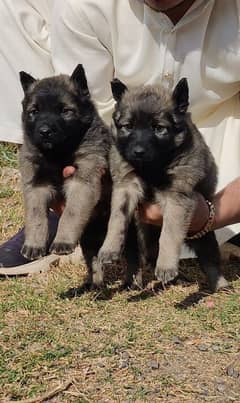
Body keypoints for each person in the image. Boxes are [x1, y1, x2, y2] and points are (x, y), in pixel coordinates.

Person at [0, 0, 240, 274]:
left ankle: (230, 227)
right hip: (113, 149)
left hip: (215, 152)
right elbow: (90, 115)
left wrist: (214, 214)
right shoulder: (85, 6)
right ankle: (59, 206)